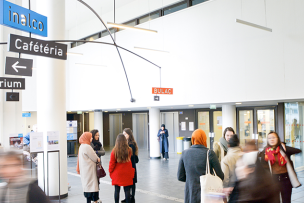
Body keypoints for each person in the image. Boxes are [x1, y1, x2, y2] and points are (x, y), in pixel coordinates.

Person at [177, 129, 224, 203]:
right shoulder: (210, 153)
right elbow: (221, 176)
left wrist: (191, 179)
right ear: (204, 139)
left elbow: (180, 177)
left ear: (193, 139)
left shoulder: (184, 153)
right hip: (207, 194)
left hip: (190, 194)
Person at [260, 131, 302, 203]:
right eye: (269, 138)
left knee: (286, 200)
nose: (272, 139)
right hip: (272, 179)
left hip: (285, 178)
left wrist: (284, 146)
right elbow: (261, 165)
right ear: (267, 140)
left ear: (278, 139)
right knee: (275, 200)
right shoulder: (265, 151)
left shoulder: (283, 149)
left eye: (274, 137)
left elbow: (298, 150)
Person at [109, 134, 135, 203]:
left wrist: (111, 172)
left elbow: (112, 164)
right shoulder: (129, 150)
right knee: (127, 190)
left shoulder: (114, 151)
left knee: (117, 190)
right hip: (127, 173)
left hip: (118, 174)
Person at [76, 132, 101, 203]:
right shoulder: (87, 147)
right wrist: (98, 159)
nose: (92, 138)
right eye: (91, 137)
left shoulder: (81, 146)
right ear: (87, 138)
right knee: (91, 188)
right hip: (90, 171)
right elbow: (95, 158)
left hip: (85, 170)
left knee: (87, 188)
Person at [221, 134, 242, 203]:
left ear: (228, 145)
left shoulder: (225, 160)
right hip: (244, 189)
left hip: (231, 191)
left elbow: (225, 178)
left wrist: (224, 193)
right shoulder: (244, 155)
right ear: (239, 144)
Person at [122, 128, 139, 203]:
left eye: (125, 134)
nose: (124, 135)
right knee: (129, 183)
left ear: (129, 134)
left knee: (131, 183)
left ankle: (131, 198)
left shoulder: (131, 144)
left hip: (131, 166)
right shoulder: (126, 143)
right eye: (123, 134)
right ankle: (128, 197)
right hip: (129, 165)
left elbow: (131, 155)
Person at [90, 129, 105, 203]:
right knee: (93, 182)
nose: (97, 136)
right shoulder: (90, 144)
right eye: (96, 135)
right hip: (92, 165)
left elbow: (103, 152)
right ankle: (93, 199)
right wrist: (97, 153)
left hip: (98, 165)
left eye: (98, 135)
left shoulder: (99, 144)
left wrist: (96, 152)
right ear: (92, 135)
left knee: (98, 182)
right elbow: (91, 153)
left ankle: (97, 198)